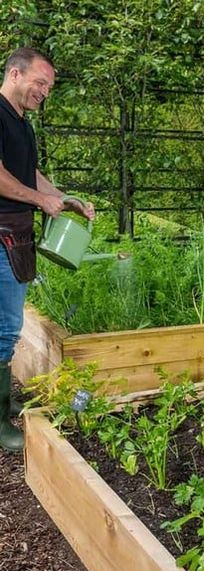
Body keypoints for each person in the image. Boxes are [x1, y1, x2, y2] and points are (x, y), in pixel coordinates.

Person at [0, 47, 95, 452]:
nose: (45, 92)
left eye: (49, 87)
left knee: (6, 327)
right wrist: (40, 202)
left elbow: (28, 174)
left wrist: (64, 197)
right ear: (15, 74)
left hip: (15, 237)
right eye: (40, 83)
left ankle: (2, 402)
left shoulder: (22, 124)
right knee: (4, 330)